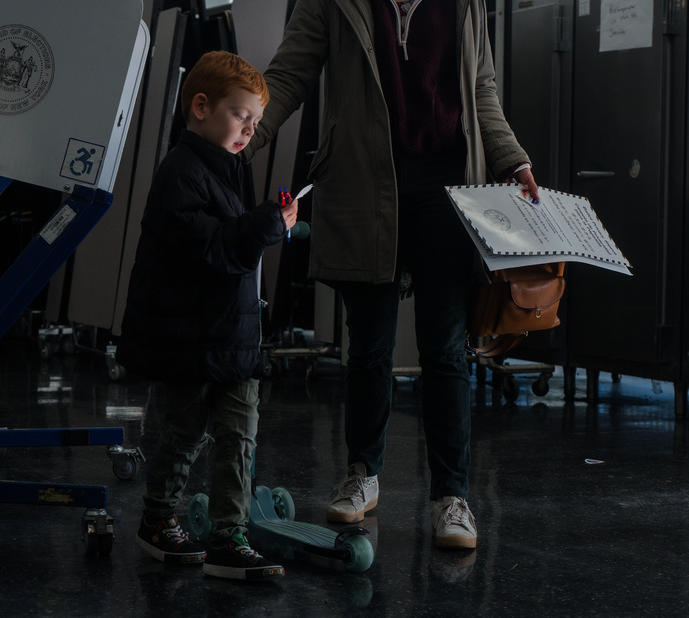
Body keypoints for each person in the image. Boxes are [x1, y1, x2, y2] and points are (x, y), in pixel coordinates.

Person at [242, 0, 540, 549]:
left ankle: (452, 498)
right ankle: (362, 474)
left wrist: (511, 159)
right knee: (370, 344)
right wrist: (236, 139)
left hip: (450, 187)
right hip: (362, 181)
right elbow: (288, 76)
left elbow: (481, 91)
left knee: (446, 348)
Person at [117, 51, 298, 580]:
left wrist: (268, 224)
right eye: (241, 115)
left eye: (255, 122)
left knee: (240, 432)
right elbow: (215, 249)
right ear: (200, 107)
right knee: (188, 428)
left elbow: (230, 247)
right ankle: (157, 518)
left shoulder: (225, 168)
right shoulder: (180, 172)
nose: (248, 130)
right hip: (195, 335)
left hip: (231, 331)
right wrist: (268, 222)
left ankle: (228, 536)